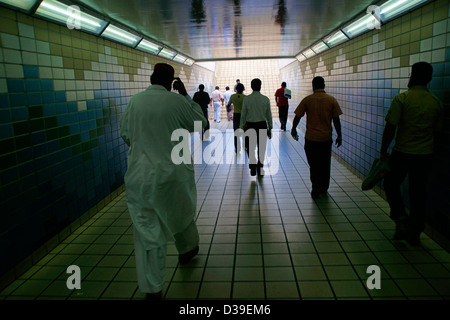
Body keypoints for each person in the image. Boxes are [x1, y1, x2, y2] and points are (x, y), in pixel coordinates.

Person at [120, 63, 207, 300]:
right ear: (172, 82)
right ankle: (188, 249)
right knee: (181, 214)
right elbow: (202, 125)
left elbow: (126, 134)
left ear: (151, 78)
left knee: (148, 232)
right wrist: (186, 95)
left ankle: (153, 289)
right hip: (174, 175)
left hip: (141, 177)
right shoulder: (178, 102)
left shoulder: (135, 102)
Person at [380, 61, 444, 246]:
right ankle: (415, 231)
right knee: (418, 192)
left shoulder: (402, 99)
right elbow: (437, 132)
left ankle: (401, 218)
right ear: (429, 78)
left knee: (391, 184)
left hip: (402, 152)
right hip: (424, 155)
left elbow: (390, 127)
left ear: (412, 75)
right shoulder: (435, 102)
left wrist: (384, 151)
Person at [291, 76, 343, 199]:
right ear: (323, 85)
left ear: (313, 86)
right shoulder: (332, 100)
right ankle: (324, 188)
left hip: (311, 139)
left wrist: (293, 129)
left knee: (314, 165)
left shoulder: (308, 100)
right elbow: (336, 120)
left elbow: (298, 115)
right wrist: (339, 135)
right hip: (326, 139)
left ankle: (315, 188)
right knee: (325, 164)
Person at [240, 78, 273, 176]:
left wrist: (241, 127)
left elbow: (243, 114)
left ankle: (252, 165)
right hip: (262, 125)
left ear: (251, 87)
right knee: (261, 148)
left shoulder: (247, 99)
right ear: (260, 86)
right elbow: (269, 115)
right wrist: (270, 128)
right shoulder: (265, 99)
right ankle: (260, 167)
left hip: (250, 125)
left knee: (250, 147)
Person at [227, 83, 245, 153]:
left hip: (236, 115)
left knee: (236, 131)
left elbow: (228, 105)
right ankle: (245, 145)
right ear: (243, 89)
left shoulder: (233, 96)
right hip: (243, 116)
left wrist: (229, 110)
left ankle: (237, 148)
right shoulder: (245, 97)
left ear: (236, 89)